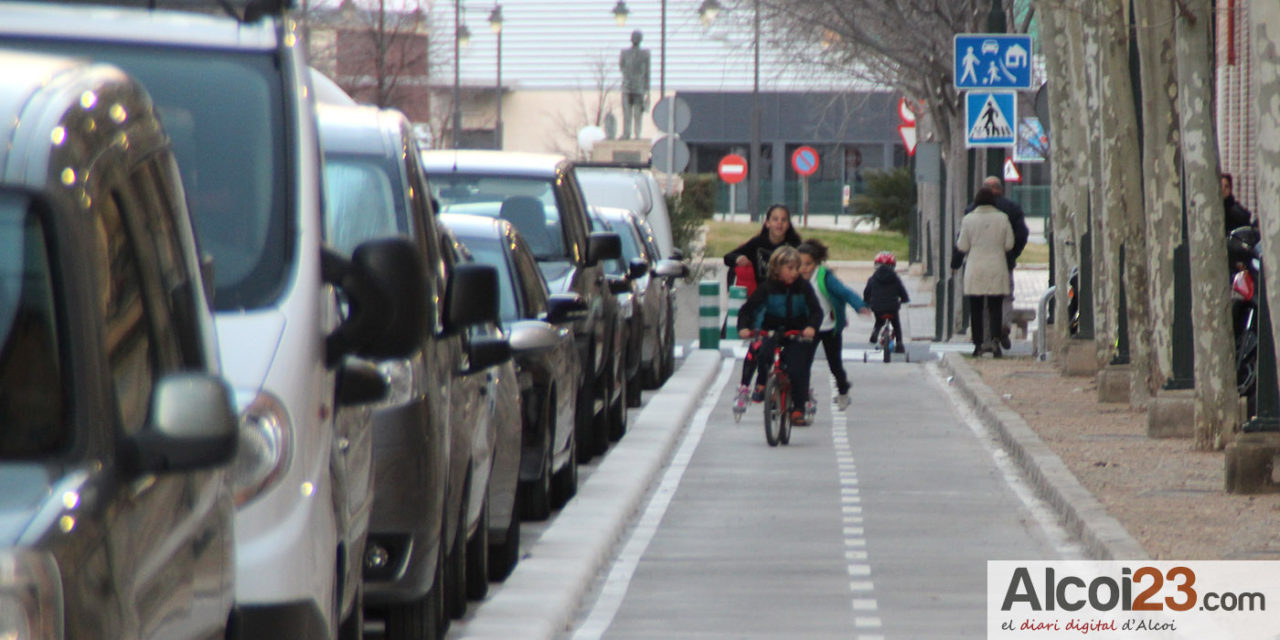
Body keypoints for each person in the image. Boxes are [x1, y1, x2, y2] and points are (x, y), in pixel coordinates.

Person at [736, 247, 821, 426]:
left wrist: (811, 327)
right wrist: (744, 327)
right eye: (790, 268)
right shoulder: (767, 288)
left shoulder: (803, 287)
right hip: (772, 330)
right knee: (764, 353)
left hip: (796, 333)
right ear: (777, 268)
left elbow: (816, 311)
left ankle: (798, 407)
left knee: (798, 367)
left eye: (796, 268)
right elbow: (747, 309)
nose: (795, 272)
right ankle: (763, 384)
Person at [797, 240, 872, 411]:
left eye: (808, 264)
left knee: (834, 364)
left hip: (830, 327)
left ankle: (843, 390)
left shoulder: (825, 278)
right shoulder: (795, 277)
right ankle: (804, 394)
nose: (803, 269)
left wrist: (859, 305)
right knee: (803, 363)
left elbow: (844, 292)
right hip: (810, 328)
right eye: (800, 264)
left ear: (816, 263)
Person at [965, 176, 1029, 350]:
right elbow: (1020, 236)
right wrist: (1013, 255)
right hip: (1001, 263)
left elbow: (962, 242)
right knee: (1005, 296)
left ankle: (984, 339)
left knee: (982, 303)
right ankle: (1003, 327)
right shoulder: (1011, 209)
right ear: (1000, 189)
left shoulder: (971, 211)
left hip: (977, 265)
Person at [954, 186, 1014, 357]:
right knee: (995, 307)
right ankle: (995, 340)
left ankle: (978, 344)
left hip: (976, 267)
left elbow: (962, 246)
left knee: (976, 308)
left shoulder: (968, 219)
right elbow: (1009, 244)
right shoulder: (1003, 218)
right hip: (997, 266)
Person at [862, 251, 910, 353]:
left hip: (877, 306)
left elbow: (867, 292)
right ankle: (900, 344)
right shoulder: (895, 278)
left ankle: (875, 332)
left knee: (879, 321)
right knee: (896, 324)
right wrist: (904, 299)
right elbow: (902, 291)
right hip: (892, 306)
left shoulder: (873, 278)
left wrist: (867, 302)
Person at [618, 30, 650, 140]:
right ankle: (626, 133)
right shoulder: (624, 53)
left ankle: (637, 134)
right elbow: (622, 67)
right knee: (627, 113)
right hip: (627, 86)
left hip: (639, 87)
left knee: (637, 113)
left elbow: (647, 72)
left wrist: (646, 88)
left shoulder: (645, 53)